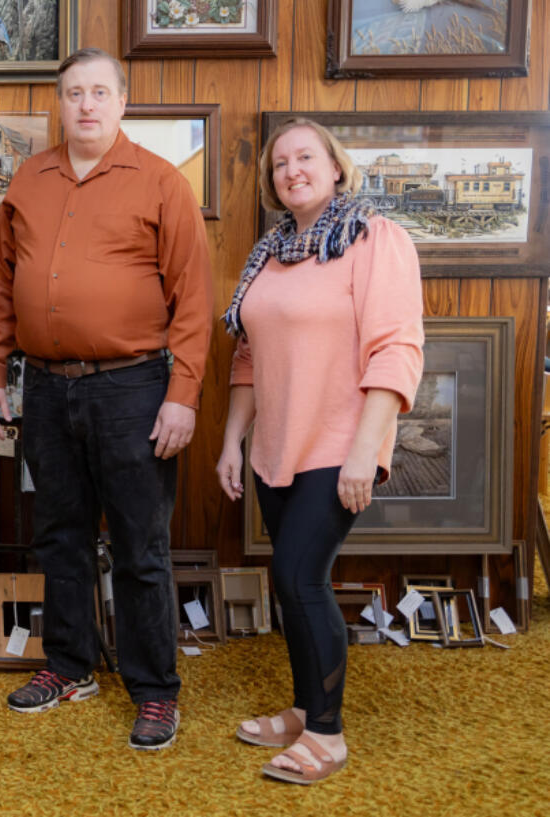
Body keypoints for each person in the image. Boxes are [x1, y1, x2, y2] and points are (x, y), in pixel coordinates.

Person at [0, 47, 213, 751]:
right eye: (74, 92)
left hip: (135, 389)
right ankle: (69, 665)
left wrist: (183, 394)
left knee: (141, 545)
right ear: (59, 101)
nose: (86, 105)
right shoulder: (28, 178)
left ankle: (154, 690)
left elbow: (194, 299)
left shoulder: (162, 183)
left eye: (99, 92)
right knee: (60, 536)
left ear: (121, 101)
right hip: (45, 389)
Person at [216, 117, 424, 784]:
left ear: (335, 167)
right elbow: (248, 355)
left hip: (341, 442)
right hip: (278, 446)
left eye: (305, 157)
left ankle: (327, 736)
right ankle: (307, 708)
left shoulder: (374, 239)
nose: (291, 170)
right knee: (294, 582)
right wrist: (230, 440)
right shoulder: (271, 253)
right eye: (280, 163)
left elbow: (396, 349)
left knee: (298, 579)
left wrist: (367, 452)